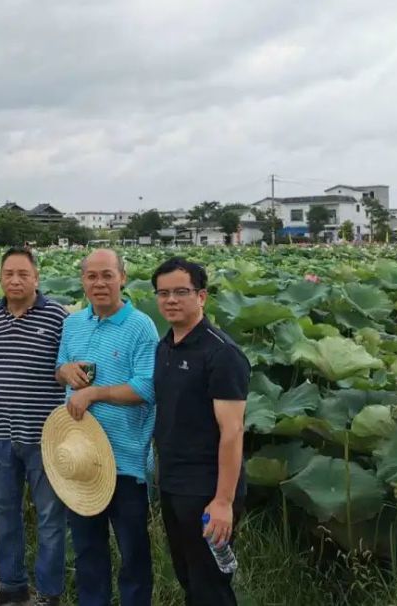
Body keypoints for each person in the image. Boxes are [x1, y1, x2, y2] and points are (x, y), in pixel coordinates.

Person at [55, 249, 158, 606]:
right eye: (91, 276)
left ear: (123, 277)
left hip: (125, 460)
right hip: (80, 457)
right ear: (83, 280)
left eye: (107, 275)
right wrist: (65, 371)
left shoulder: (141, 325)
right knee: (87, 551)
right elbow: (61, 369)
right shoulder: (72, 323)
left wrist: (95, 393)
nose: (99, 283)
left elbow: (146, 387)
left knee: (133, 555)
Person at [152, 257, 249, 606]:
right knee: (188, 575)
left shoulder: (221, 353)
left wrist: (223, 501)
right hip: (174, 481)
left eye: (181, 291)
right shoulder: (164, 347)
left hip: (207, 487)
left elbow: (233, 431)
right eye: (163, 293)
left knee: (211, 584)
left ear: (202, 296)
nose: (171, 300)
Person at [0, 248, 68, 606]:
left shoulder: (59, 316)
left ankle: (48, 593)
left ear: (36, 277)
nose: (15, 280)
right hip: (0, 435)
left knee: (49, 519)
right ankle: (12, 584)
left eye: (22, 274)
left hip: (45, 437)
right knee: (3, 511)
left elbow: (68, 368)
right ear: (0, 277)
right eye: (8, 273)